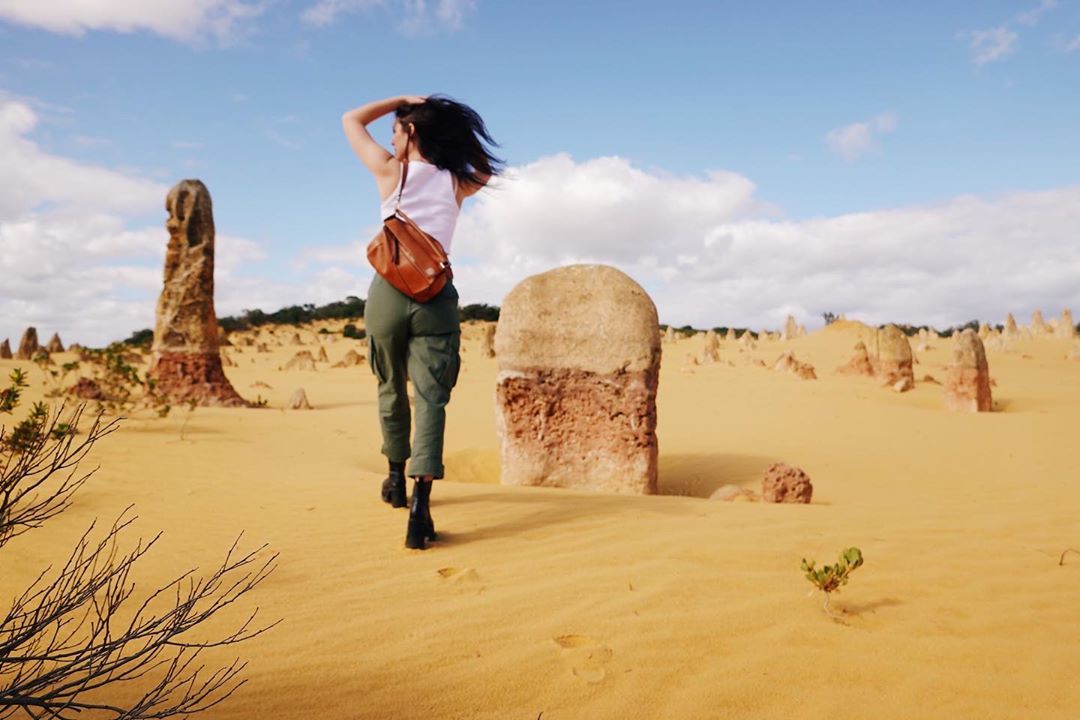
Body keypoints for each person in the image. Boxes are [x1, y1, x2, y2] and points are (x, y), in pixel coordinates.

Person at [341, 94, 502, 550]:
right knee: (432, 399)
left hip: (387, 293)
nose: (391, 136)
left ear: (412, 132)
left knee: (390, 387)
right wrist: (448, 125)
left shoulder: (392, 172)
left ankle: (394, 478)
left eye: (397, 129)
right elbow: (484, 167)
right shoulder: (457, 182)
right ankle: (420, 503)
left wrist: (401, 101)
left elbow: (351, 119)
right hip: (436, 296)